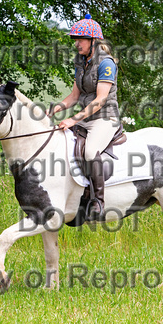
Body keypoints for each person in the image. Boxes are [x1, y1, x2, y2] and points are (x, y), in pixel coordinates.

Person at [47, 14, 120, 221]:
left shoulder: (106, 64)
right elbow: (74, 96)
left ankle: (98, 201)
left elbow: (99, 100)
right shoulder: (81, 61)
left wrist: (72, 119)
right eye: (75, 40)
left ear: (94, 41)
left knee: (89, 152)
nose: (77, 44)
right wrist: (54, 109)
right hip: (87, 118)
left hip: (105, 118)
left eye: (80, 39)